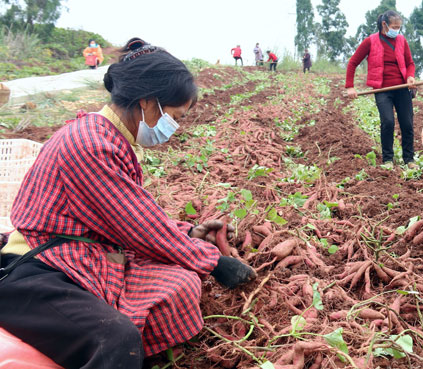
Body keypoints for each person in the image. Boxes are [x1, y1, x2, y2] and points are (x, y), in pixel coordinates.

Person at [0, 38, 256, 368]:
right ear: (149, 103)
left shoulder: (106, 135)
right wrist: (215, 262)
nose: (173, 129)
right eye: (174, 116)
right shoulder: (90, 145)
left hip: (78, 258)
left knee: (180, 284)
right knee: (117, 339)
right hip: (36, 274)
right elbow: (140, 227)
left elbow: (130, 214)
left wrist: (188, 231)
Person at [346, 10, 417, 167]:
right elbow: (353, 62)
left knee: (407, 123)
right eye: (394, 26)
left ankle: (409, 159)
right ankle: (387, 159)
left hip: (402, 88)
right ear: (384, 25)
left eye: (399, 27)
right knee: (388, 122)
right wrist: (350, 86)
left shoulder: (401, 41)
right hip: (382, 90)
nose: (396, 30)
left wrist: (410, 76)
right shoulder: (370, 41)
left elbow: (410, 63)